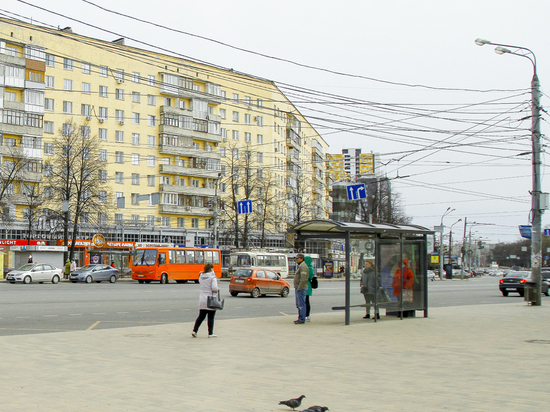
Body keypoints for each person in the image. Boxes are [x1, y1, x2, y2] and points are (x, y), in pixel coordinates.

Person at [192, 263, 219, 338]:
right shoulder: (213, 278)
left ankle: (195, 330)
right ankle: (210, 333)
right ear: (211, 269)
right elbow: (214, 288)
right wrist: (217, 289)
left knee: (201, 316)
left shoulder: (201, 276)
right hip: (211, 299)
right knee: (211, 317)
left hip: (202, 298)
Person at [293, 253, 309, 324]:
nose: (296, 260)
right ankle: (300, 318)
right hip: (299, 288)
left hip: (301, 288)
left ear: (301, 259)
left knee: (301, 304)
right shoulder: (301, 266)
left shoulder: (303, 267)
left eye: (297, 258)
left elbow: (303, 279)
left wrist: (299, 288)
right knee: (299, 304)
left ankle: (302, 319)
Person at [304, 256, 314, 322]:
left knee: (306, 301)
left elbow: (310, 276)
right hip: (307, 284)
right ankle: (306, 315)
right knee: (306, 301)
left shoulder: (309, 268)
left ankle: (307, 315)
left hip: (306, 285)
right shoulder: (309, 267)